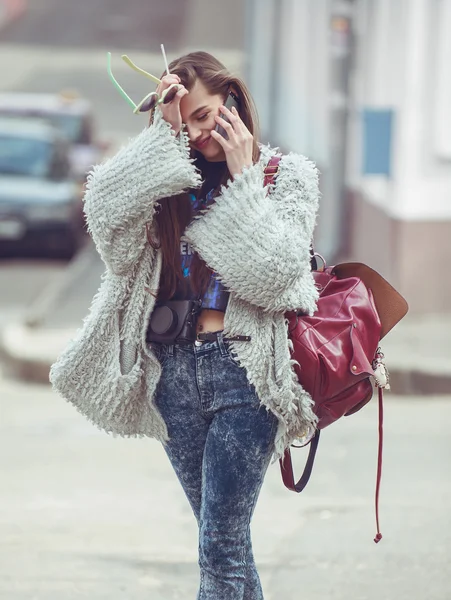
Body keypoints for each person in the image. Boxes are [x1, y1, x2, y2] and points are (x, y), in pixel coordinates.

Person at [50, 50, 321, 600]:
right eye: (188, 120)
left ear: (232, 102)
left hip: (245, 372)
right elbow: (106, 224)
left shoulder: (284, 177)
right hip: (170, 375)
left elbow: (271, 275)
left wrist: (244, 179)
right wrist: (160, 139)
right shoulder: (167, 184)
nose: (199, 134)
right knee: (222, 543)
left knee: (219, 546)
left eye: (206, 117)